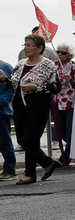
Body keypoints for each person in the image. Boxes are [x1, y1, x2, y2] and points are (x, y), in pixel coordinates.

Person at [11, 35, 59, 185]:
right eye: (25, 44)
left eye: (30, 45)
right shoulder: (20, 64)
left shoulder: (48, 65)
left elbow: (56, 87)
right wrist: (4, 79)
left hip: (37, 105)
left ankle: (30, 173)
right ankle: (47, 162)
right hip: (19, 105)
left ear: (39, 48)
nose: (26, 47)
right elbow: (13, 84)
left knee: (31, 139)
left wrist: (37, 88)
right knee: (22, 140)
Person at [51, 43, 75, 167]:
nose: (60, 54)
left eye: (63, 52)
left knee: (69, 129)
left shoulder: (74, 67)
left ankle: (66, 157)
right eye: (58, 52)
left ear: (69, 55)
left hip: (70, 101)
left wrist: (71, 80)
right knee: (59, 131)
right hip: (57, 101)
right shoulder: (54, 67)